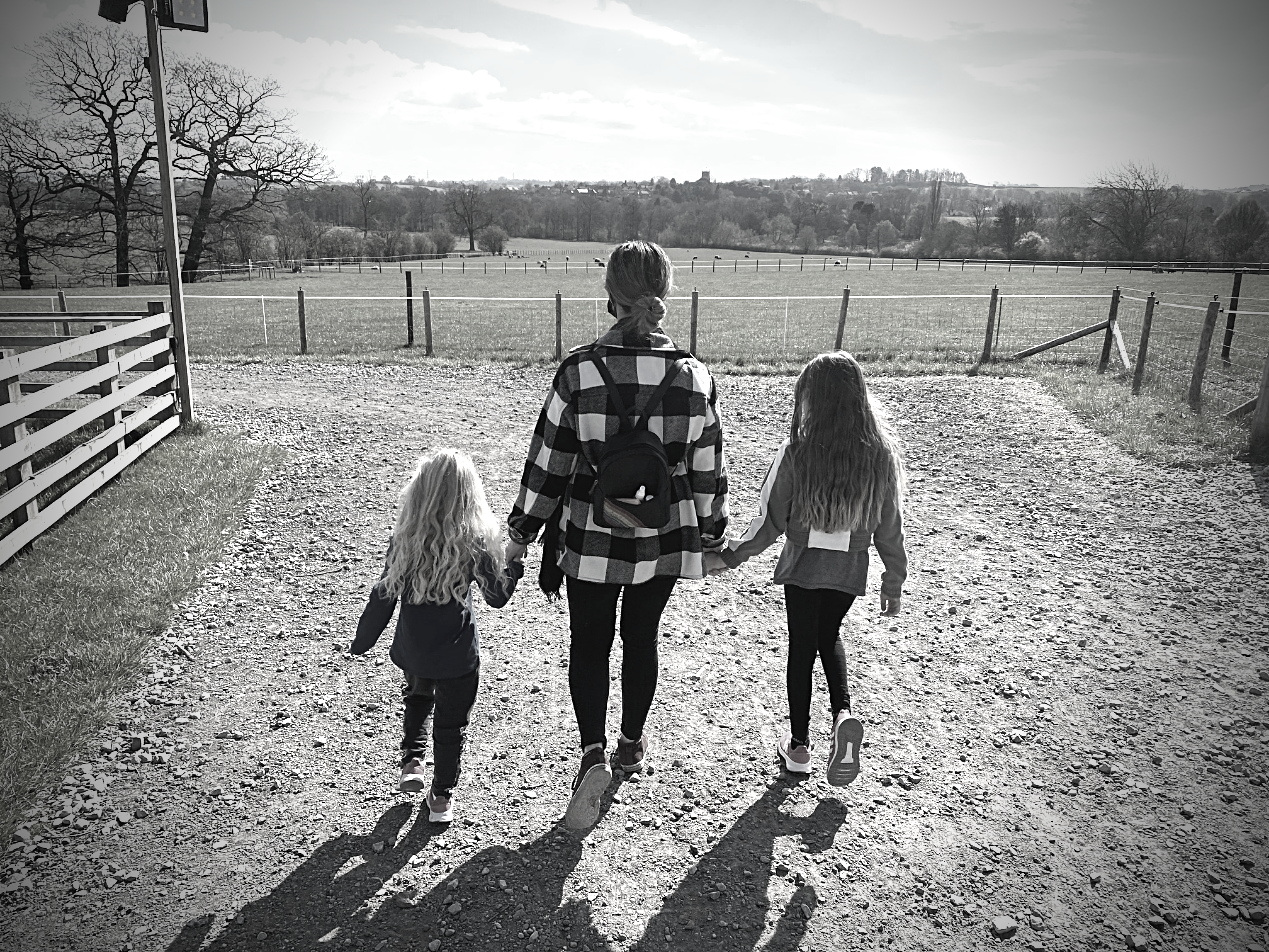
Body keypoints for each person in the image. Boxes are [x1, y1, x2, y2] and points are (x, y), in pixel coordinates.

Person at [505, 240, 730, 831]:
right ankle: (631, 744)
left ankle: (592, 753)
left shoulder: (580, 371)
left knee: (589, 640)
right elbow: (707, 469)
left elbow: (548, 464)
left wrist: (521, 533)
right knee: (642, 636)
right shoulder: (694, 376)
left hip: (590, 535)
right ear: (664, 294)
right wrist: (709, 530)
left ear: (610, 298)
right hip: (660, 536)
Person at [705, 352, 907, 786]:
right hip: (849, 569)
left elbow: (771, 521)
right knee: (828, 636)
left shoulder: (795, 453)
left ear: (809, 399)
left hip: (802, 566)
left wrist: (732, 553)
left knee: (802, 648)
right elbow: (891, 526)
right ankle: (843, 715)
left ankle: (798, 748)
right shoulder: (881, 456)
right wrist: (894, 580)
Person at [352, 448, 523, 822]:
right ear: (469, 495)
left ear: (419, 493)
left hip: (414, 650)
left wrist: (361, 641)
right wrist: (513, 563)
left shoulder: (405, 540)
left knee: (417, 697)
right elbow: (497, 597)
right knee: (451, 725)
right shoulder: (476, 544)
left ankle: (412, 761)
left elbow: (383, 596)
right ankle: (441, 797)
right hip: (458, 655)